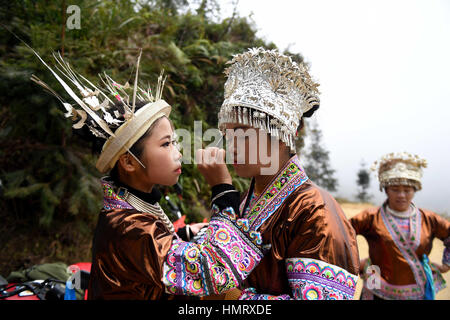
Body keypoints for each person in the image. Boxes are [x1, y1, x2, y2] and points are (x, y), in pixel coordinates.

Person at [29, 49, 267, 299]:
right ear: (129, 162)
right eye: (166, 144)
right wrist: (223, 190)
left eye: (175, 142)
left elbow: (157, 249)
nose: (177, 153)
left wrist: (184, 234)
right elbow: (210, 272)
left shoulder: (131, 207)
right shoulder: (127, 227)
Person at [206, 47, 360, 300]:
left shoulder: (316, 211)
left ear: (280, 136)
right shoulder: (247, 200)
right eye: (227, 135)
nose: (232, 146)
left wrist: (232, 298)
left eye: (244, 133)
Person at [350, 152, 450, 300]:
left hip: (416, 286)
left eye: (407, 190)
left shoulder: (429, 219)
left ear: (414, 191)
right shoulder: (370, 217)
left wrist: (446, 265)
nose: (401, 195)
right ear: (385, 190)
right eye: (395, 190)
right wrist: (355, 262)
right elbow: (342, 234)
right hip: (375, 279)